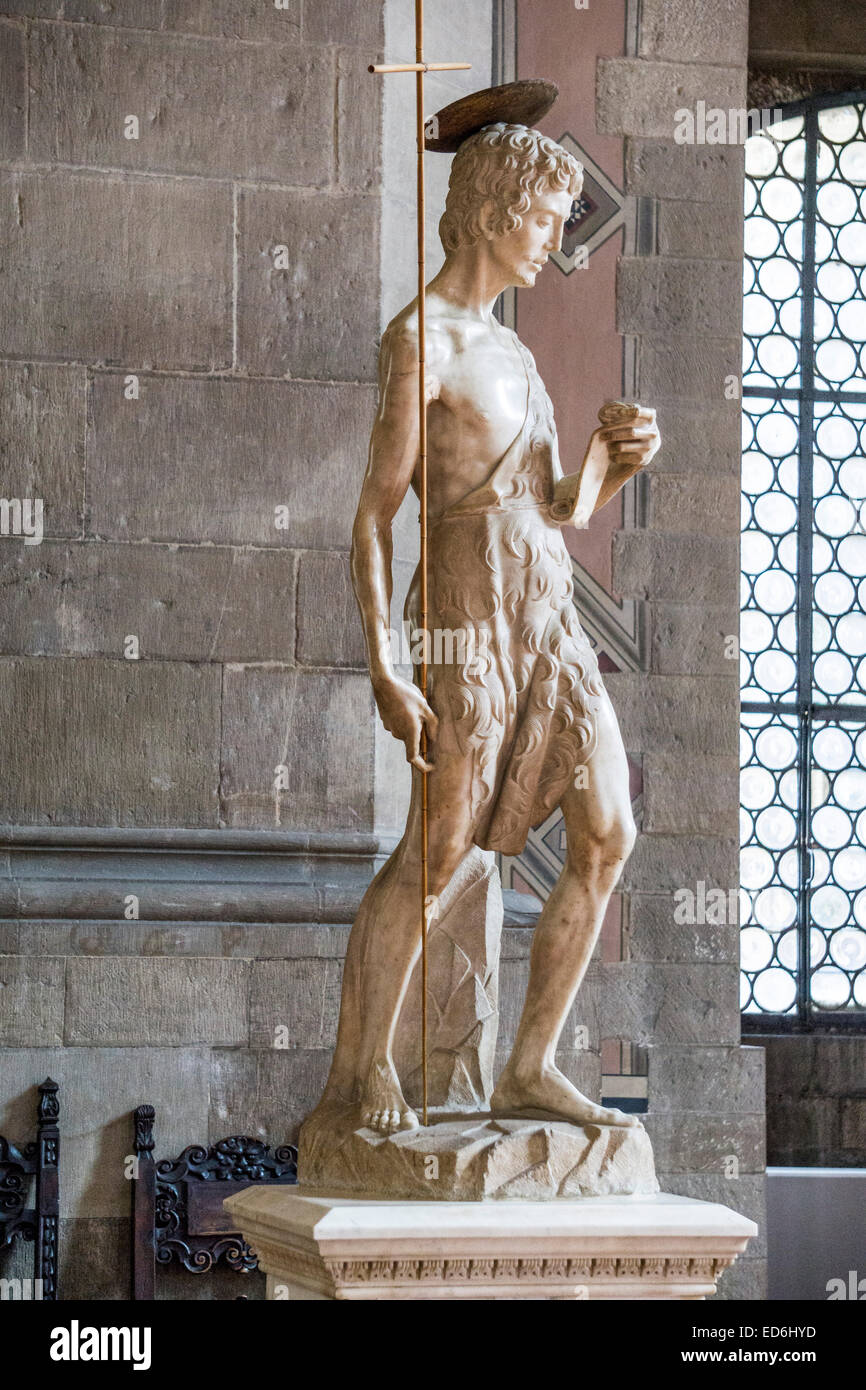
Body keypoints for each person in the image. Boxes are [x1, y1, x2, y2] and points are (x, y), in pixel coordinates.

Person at [313, 122, 660, 1136]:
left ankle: (528, 1064)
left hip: (544, 606)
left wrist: (612, 460)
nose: (553, 244)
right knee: (439, 848)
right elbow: (375, 513)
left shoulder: (511, 346)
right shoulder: (418, 339)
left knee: (607, 831)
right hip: (463, 615)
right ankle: (362, 1067)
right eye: (546, 221)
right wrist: (385, 660)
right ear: (496, 209)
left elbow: (553, 503)